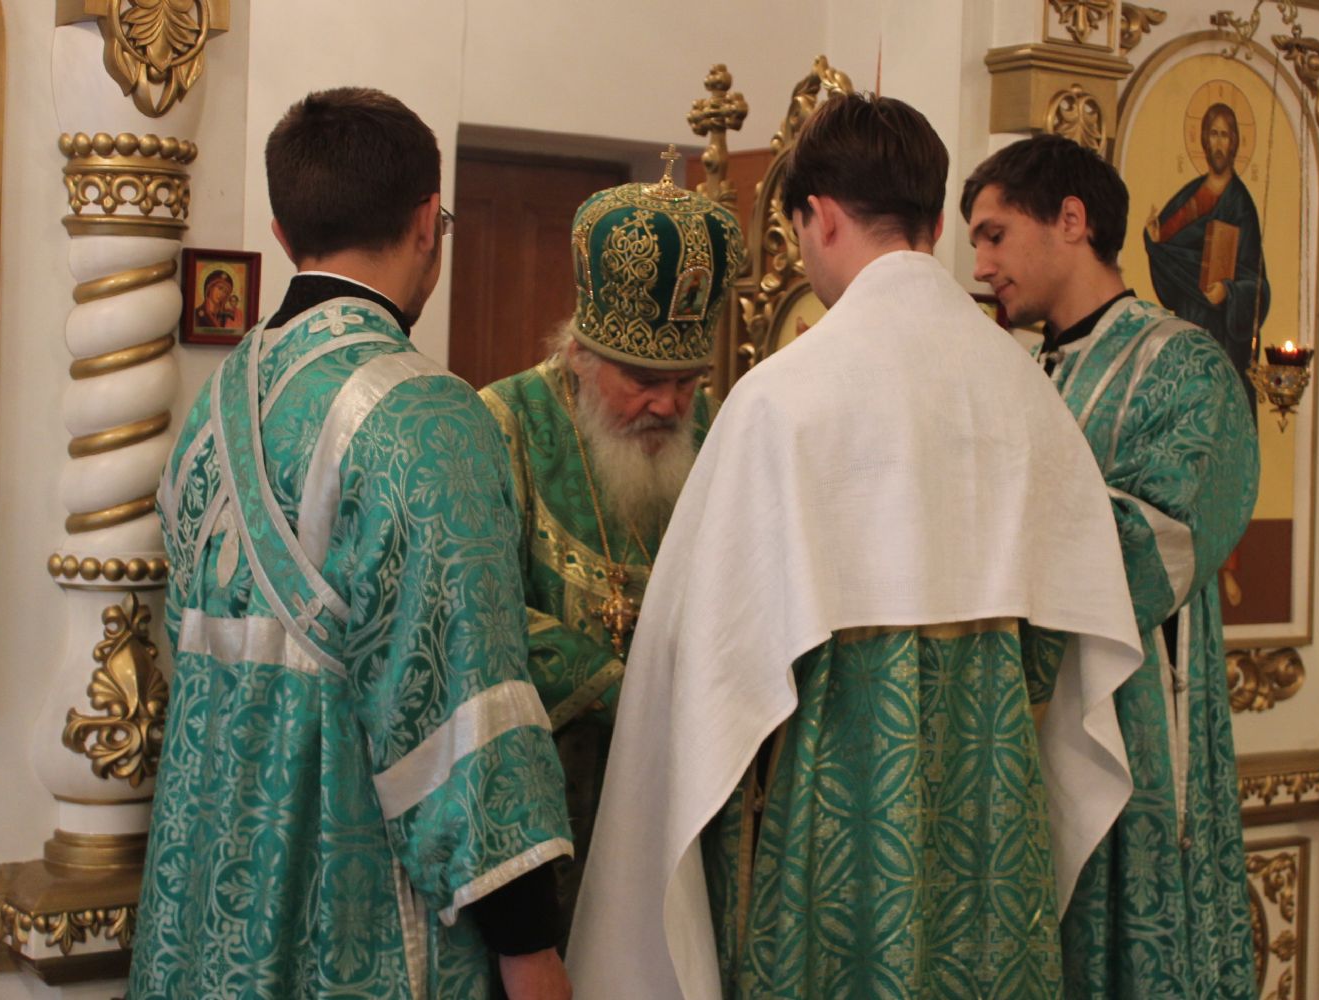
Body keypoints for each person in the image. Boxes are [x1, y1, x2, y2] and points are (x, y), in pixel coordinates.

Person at [569, 94, 1145, 999]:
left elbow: (705, 675)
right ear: (930, 218)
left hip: (831, 836)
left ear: (820, 216)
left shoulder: (783, 399)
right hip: (992, 833)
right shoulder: (1025, 393)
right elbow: (1069, 648)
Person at [131, 87, 573, 1000]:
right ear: (425, 222)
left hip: (206, 906)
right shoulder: (425, 418)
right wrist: (530, 947)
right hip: (352, 911)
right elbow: (464, 713)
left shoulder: (212, 410)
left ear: (282, 233)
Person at [962, 133, 1259, 998]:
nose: (980, 266)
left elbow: (1161, 542)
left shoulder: (1184, 366)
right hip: (1018, 737)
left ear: (1071, 219)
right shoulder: (1018, 375)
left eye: (993, 235)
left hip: (1132, 736)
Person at [478, 166, 743, 924]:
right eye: (643, 379)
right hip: (549, 799)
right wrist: (616, 686)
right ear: (580, 354)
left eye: (687, 380)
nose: (669, 404)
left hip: (683, 783)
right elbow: (479, 611)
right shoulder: (504, 423)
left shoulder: (717, 430)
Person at [1144, 103, 1270, 410]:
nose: (1218, 143)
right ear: (1203, 139)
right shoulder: (1190, 195)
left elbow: (1257, 284)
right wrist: (1154, 239)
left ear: (1234, 142)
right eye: (1213, 134)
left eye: (1225, 135)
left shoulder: (1240, 205)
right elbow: (1168, 251)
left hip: (1224, 334)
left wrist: (1229, 291)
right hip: (1188, 322)